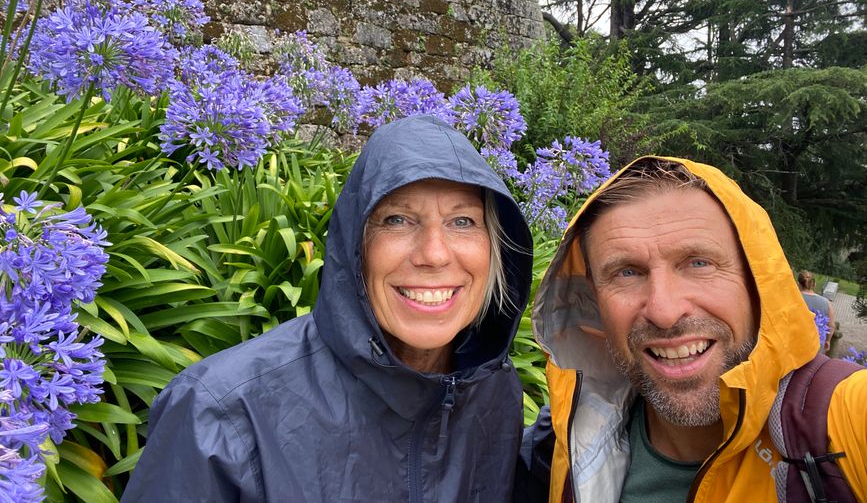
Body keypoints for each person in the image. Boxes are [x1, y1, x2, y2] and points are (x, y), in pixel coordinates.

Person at [122, 115, 533, 502]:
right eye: (396, 220)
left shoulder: (494, 391)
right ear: (354, 246)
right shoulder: (221, 413)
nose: (434, 254)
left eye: (462, 221)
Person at [521, 156, 866, 503]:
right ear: (595, 302)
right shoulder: (562, 438)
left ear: (757, 280)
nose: (665, 312)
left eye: (699, 263)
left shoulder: (845, 414)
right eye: (627, 272)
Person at [798, 269, 836, 353]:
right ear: (814, 284)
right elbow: (831, 325)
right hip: (816, 346)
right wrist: (827, 341)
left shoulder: (793, 298)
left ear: (798, 284)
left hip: (795, 343)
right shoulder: (826, 302)